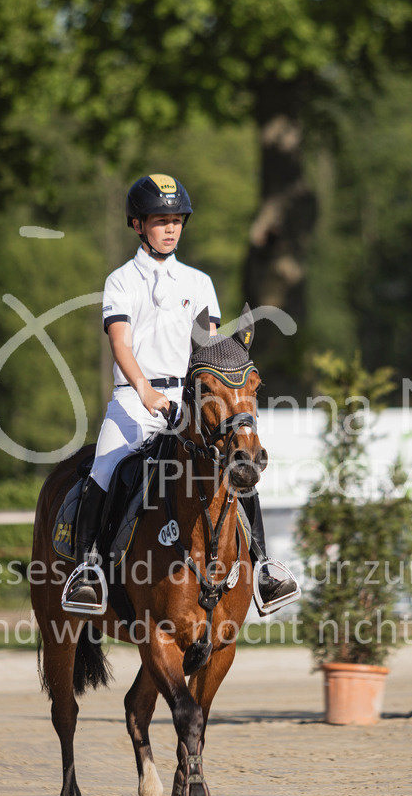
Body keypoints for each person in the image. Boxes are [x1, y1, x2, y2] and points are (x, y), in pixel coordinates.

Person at [65, 173, 297, 612]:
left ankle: (264, 567)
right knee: (104, 467)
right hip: (135, 400)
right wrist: (146, 392)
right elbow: (120, 344)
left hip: (190, 401)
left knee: (235, 462)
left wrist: (210, 397)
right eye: (160, 221)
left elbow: (207, 350)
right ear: (138, 225)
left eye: (176, 221)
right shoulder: (121, 281)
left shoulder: (199, 282)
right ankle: (87, 570)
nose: (171, 229)